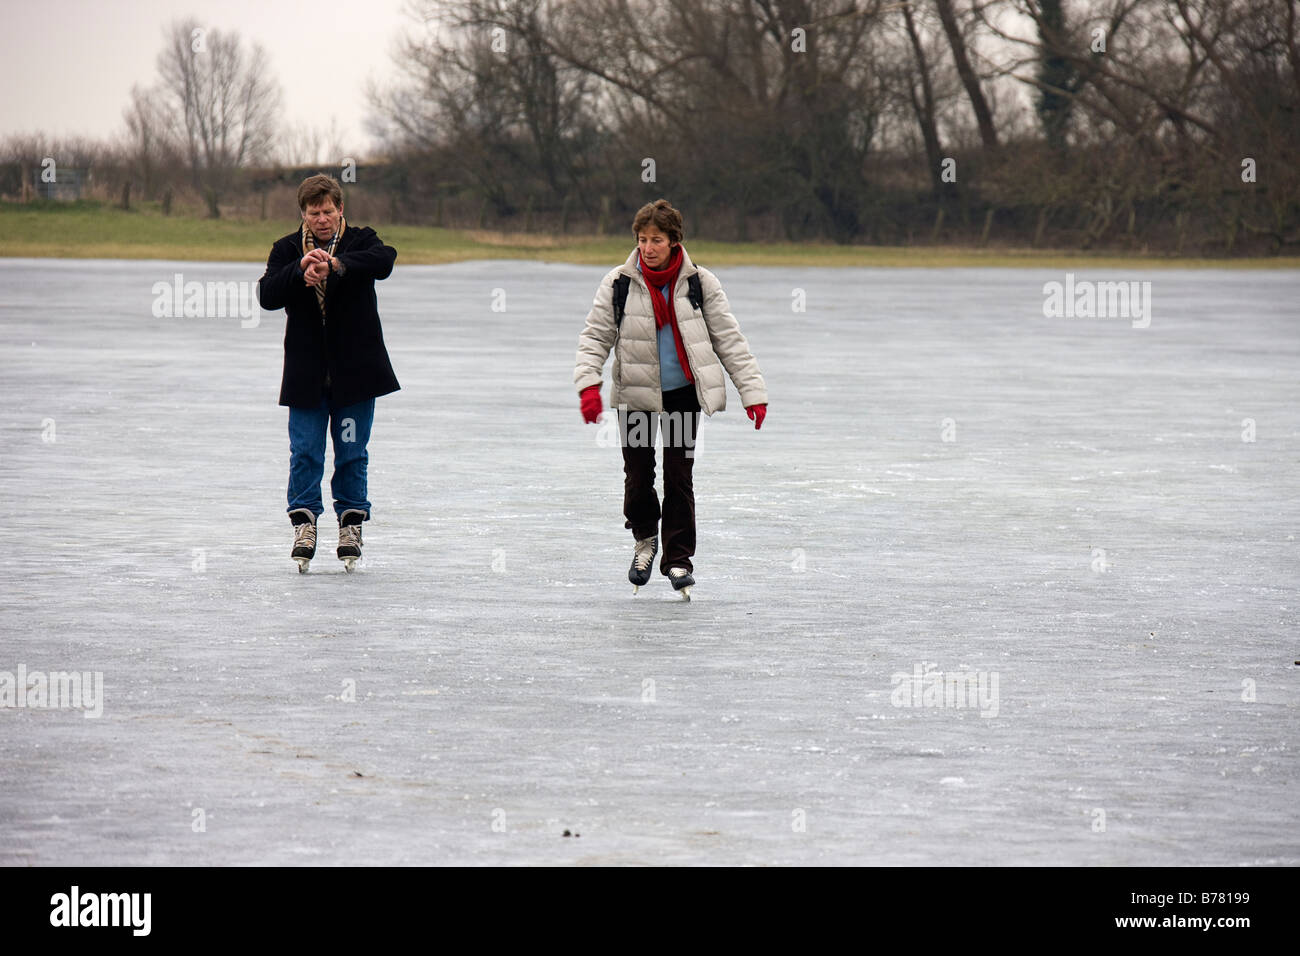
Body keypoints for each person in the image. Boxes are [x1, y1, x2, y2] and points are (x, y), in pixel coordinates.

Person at [574, 198, 768, 598]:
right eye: (642, 239)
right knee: (639, 478)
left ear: (674, 241)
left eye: (656, 239)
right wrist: (588, 386)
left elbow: (729, 340)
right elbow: (595, 337)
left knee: (679, 478)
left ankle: (678, 559)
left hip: (682, 396)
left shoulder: (700, 283)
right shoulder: (619, 283)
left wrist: (753, 393)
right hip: (637, 396)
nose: (648, 247)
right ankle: (645, 539)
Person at [257, 173, 400, 573]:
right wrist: (299, 269)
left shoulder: (361, 241)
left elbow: (384, 260)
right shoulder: (286, 249)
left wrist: (334, 265)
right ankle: (304, 524)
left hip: (355, 376)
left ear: (341, 210)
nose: (321, 218)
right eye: (313, 212)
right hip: (307, 377)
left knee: (352, 454)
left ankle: (351, 524)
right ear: (303, 214)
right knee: (305, 452)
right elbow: (267, 295)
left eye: (328, 211)